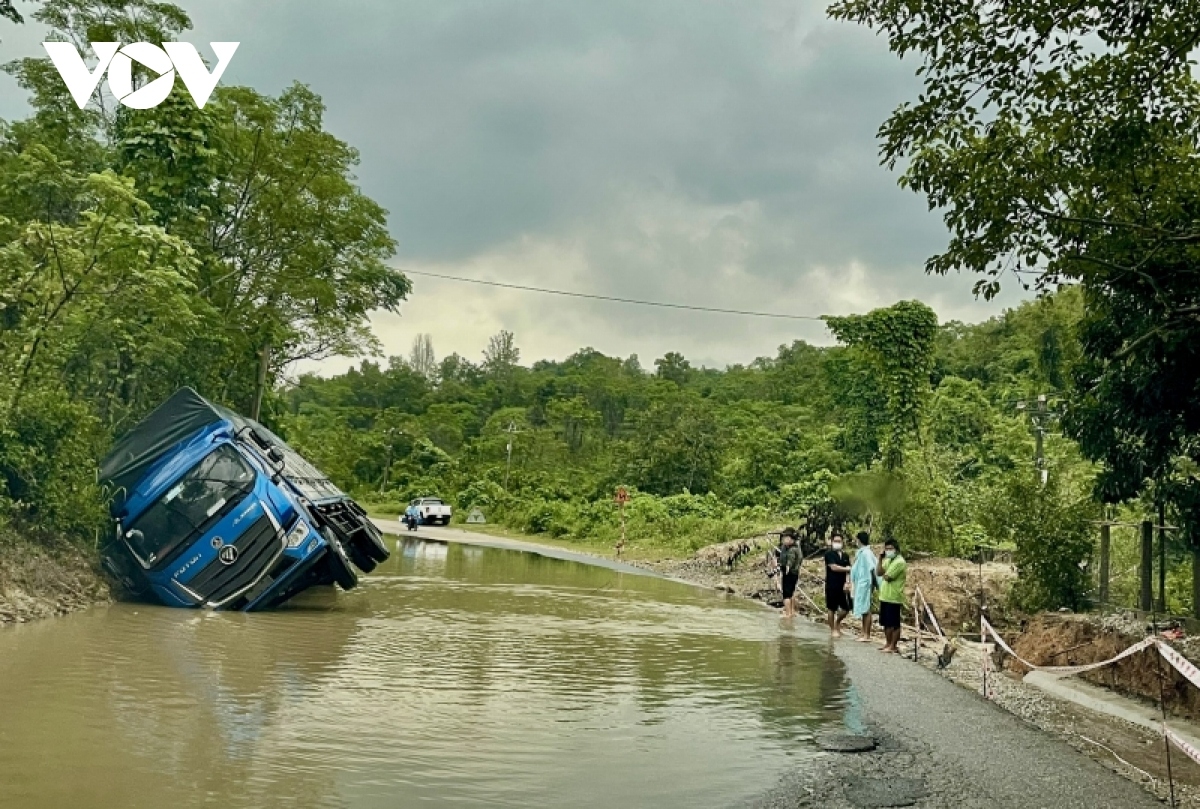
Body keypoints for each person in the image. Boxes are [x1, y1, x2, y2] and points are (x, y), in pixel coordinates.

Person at [876, 538, 908, 653]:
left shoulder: (900, 562)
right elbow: (879, 573)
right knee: (885, 623)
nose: (888, 551)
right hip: (884, 596)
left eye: (891, 549)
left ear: (897, 550)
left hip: (894, 597)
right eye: (887, 549)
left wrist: (885, 572)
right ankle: (888, 643)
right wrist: (880, 559)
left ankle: (893, 645)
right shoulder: (888, 560)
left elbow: (887, 577)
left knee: (893, 624)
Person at [849, 531, 877, 642]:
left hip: (865, 583)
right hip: (860, 583)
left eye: (856, 539)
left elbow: (871, 568)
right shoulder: (861, 553)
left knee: (866, 608)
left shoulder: (866, 553)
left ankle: (867, 635)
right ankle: (863, 632)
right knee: (862, 608)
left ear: (859, 540)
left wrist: (872, 584)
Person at [824, 534, 852, 638]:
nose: (837, 543)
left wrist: (848, 582)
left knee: (846, 608)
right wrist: (847, 569)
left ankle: (837, 622)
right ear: (831, 542)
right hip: (832, 585)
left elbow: (849, 569)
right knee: (831, 608)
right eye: (835, 541)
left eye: (839, 541)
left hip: (843, 585)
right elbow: (833, 567)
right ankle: (833, 630)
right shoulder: (829, 554)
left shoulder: (845, 555)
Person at [778, 529, 802, 618]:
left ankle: (787, 614)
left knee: (786, 595)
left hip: (789, 573)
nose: (784, 540)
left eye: (786, 538)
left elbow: (790, 560)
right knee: (791, 592)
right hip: (795, 573)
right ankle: (792, 612)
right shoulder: (796, 547)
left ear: (792, 539)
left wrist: (787, 567)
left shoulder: (791, 550)